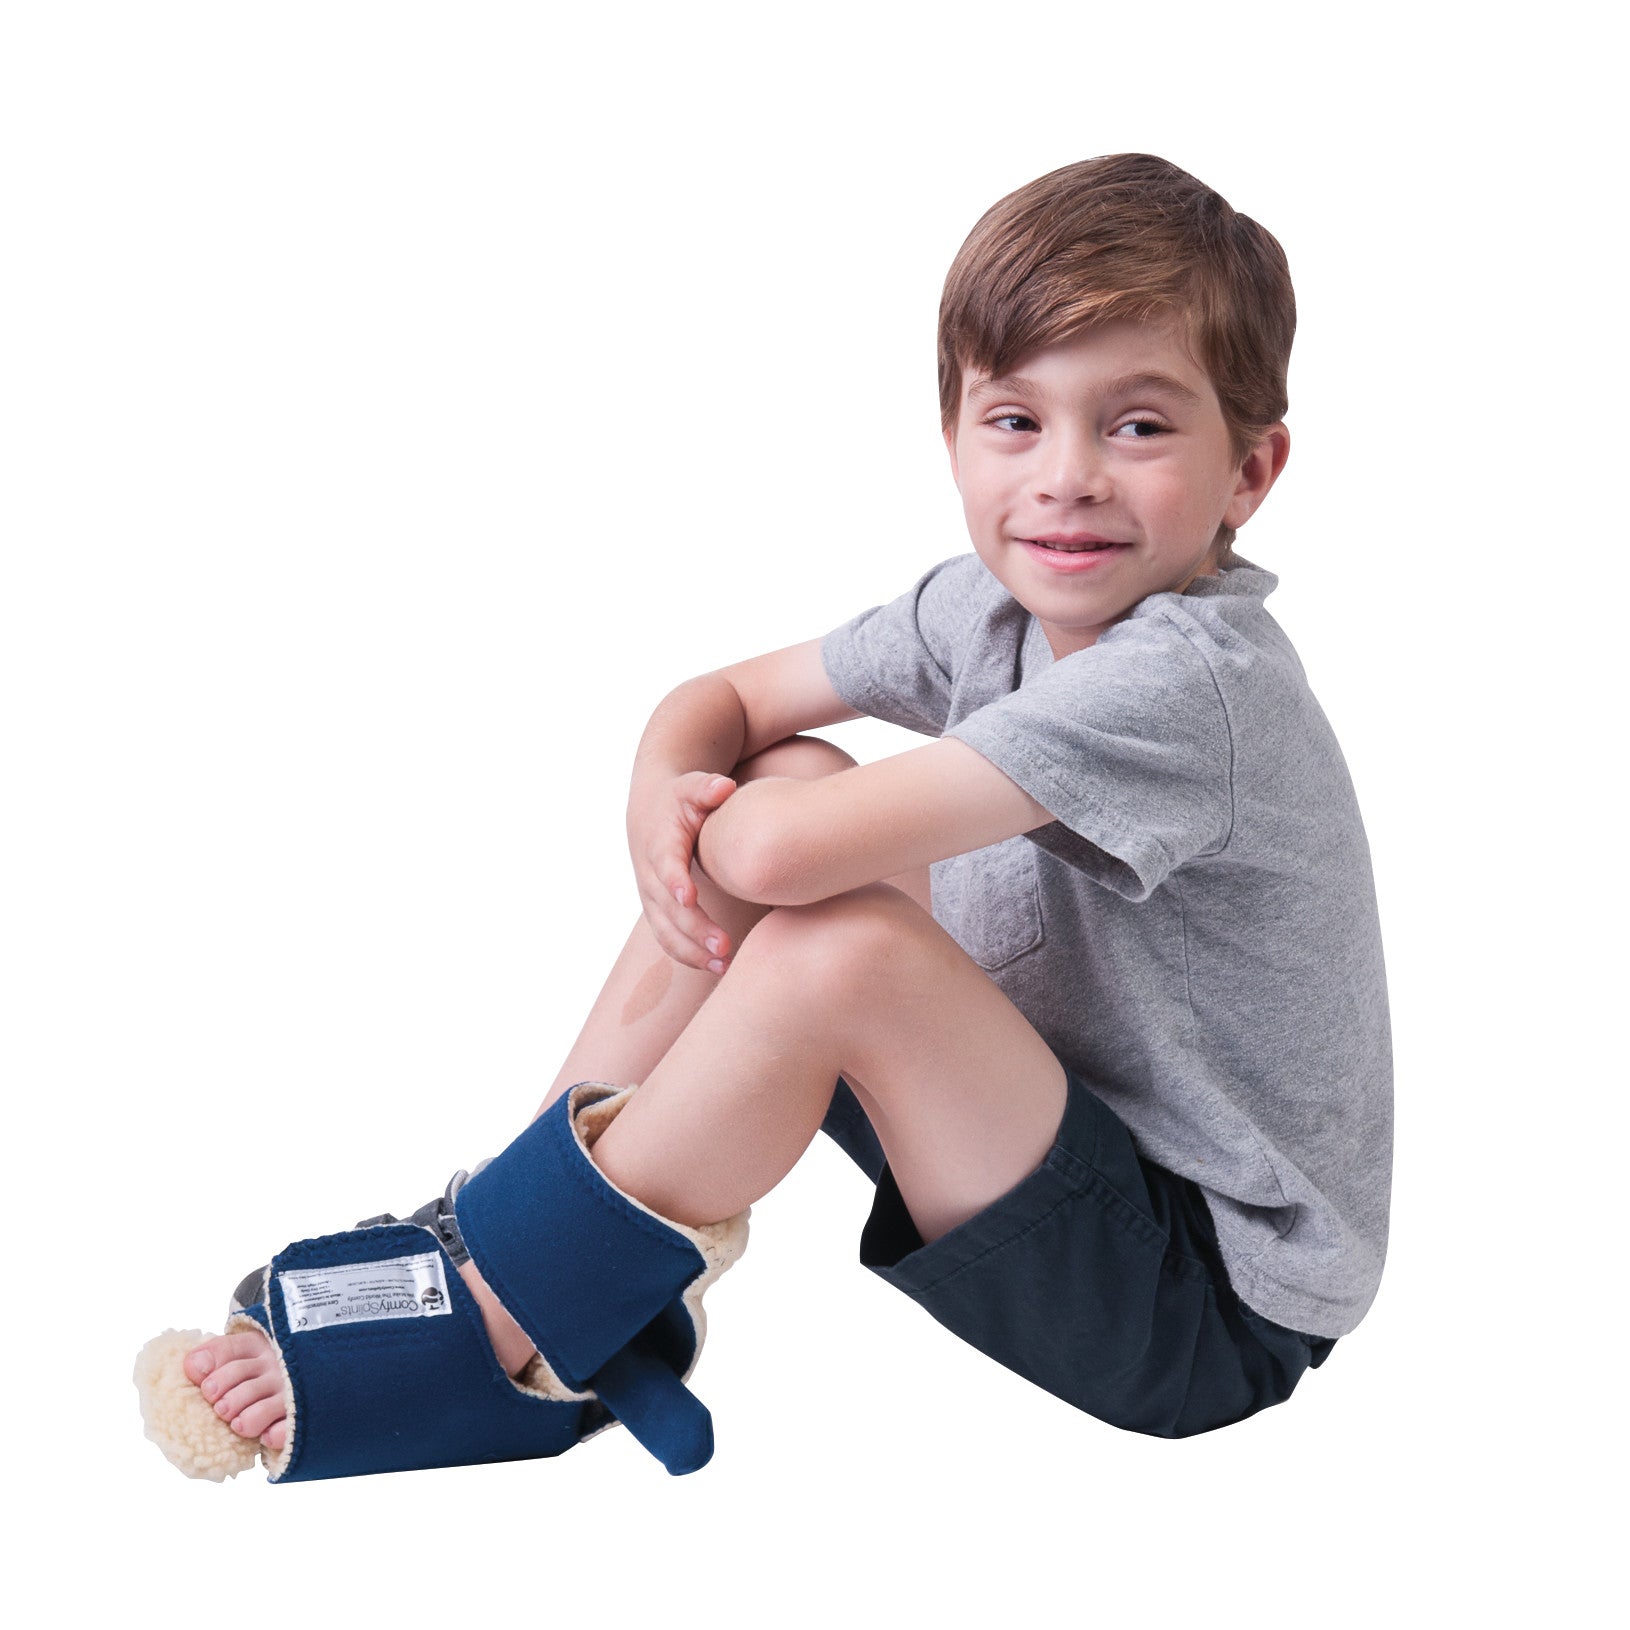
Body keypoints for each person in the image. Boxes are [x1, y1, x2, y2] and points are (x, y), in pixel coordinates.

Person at [161, 152, 1391, 1469]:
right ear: (953, 437)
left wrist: (706, 821)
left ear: (1249, 470)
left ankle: (517, 1315)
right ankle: (511, 1232)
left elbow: (775, 852)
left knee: (829, 927)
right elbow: (725, 704)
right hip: (1035, 1128)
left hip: (1198, 1300)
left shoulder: (1189, 684)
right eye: (1015, 420)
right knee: (792, 769)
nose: (1066, 476)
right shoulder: (990, 605)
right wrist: (660, 792)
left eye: (1137, 427)